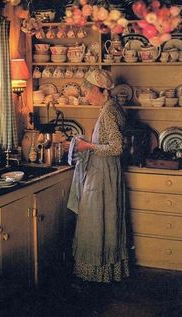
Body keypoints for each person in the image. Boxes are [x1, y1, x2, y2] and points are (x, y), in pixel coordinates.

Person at [66, 68, 130, 284]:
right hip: (106, 172)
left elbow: (116, 146)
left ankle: (96, 272)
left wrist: (88, 146)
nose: (85, 97)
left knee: (95, 220)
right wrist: (87, 144)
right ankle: (107, 270)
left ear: (96, 89)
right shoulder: (112, 107)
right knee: (106, 220)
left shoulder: (108, 112)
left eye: (86, 93)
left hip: (103, 175)